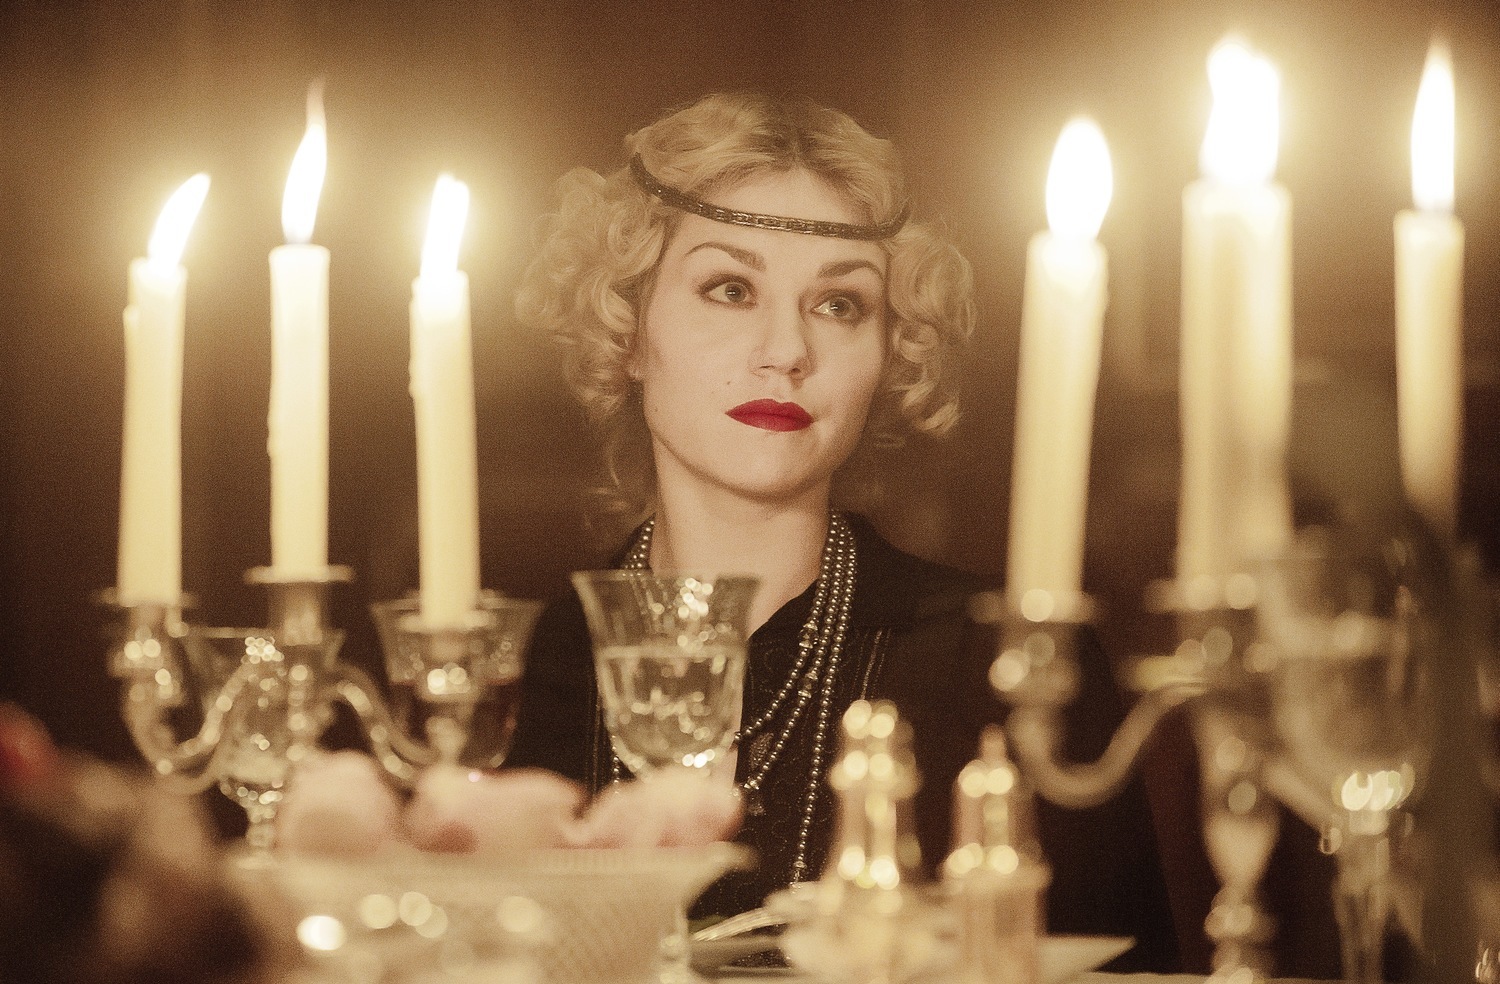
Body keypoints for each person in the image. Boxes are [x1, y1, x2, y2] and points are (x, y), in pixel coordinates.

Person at [506, 91, 1177, 970]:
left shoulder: (1009, 665)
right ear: (628, 328)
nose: (786, 351)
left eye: (839, 304)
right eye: (731, 289)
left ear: (890, 350)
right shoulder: (527, 672)